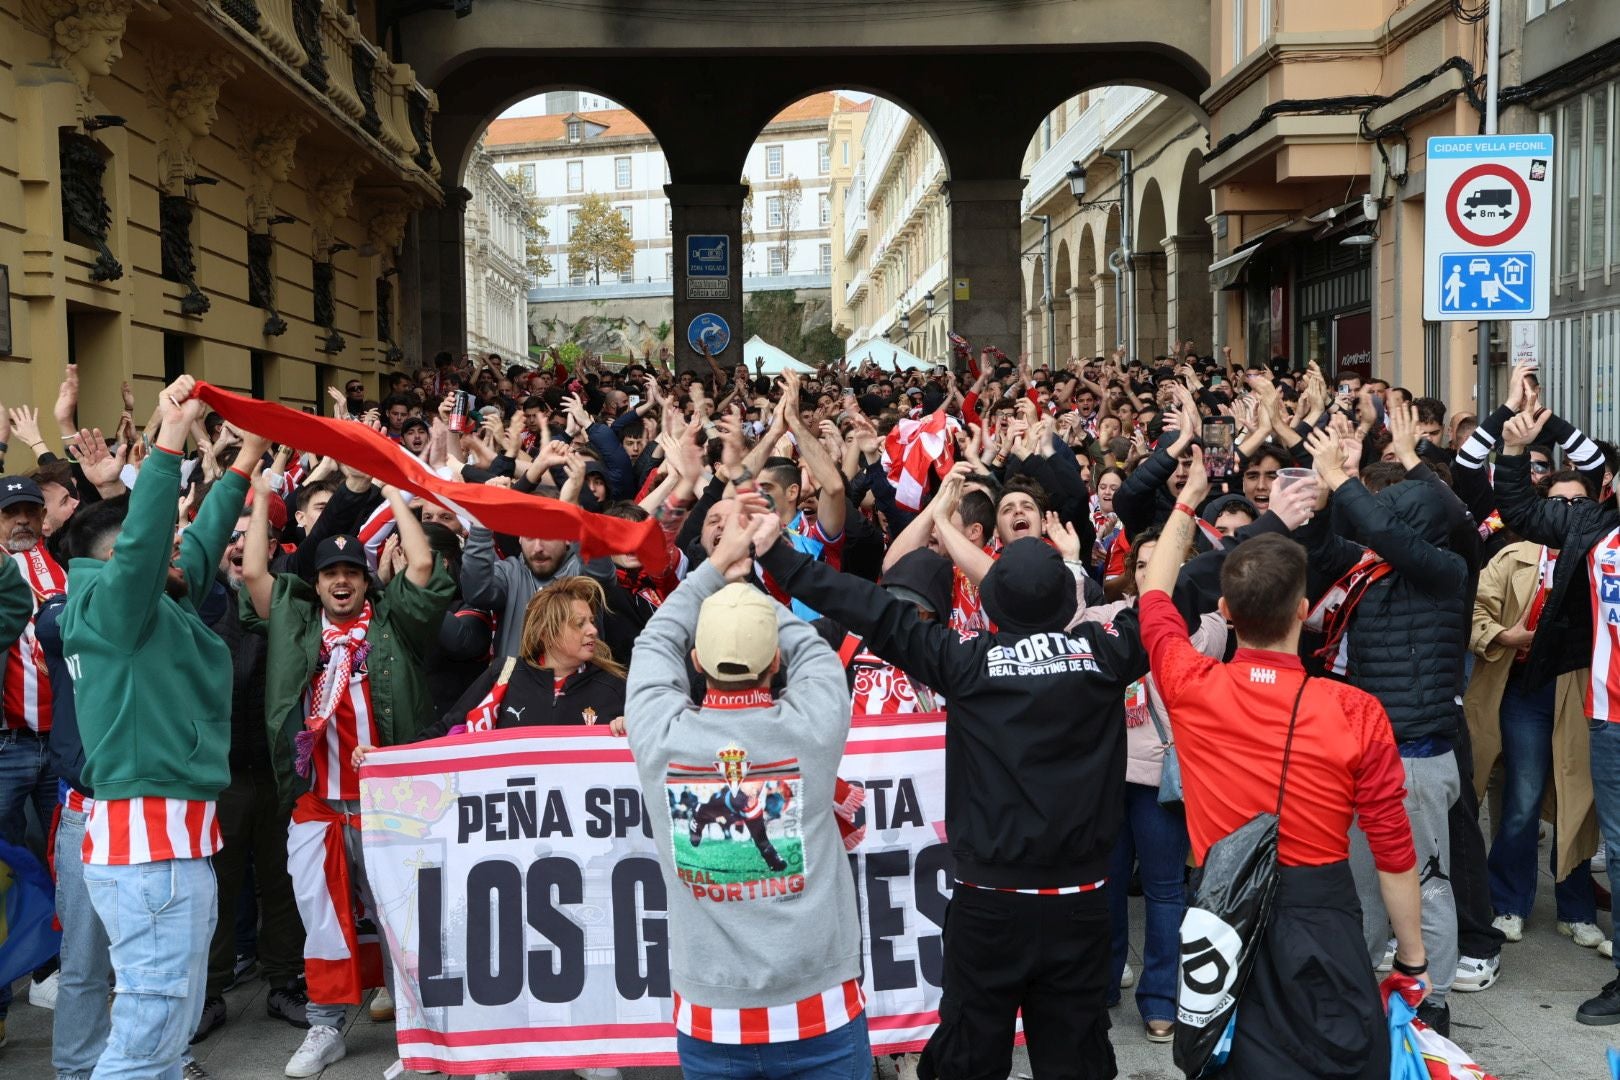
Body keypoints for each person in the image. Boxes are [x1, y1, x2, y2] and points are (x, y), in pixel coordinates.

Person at [754, 510, 1148, 1079]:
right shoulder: (1105, 656)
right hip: (1079, 899)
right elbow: (1172, 598)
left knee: (968, 1053)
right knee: (1077, 1057)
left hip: (990, 902)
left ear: (989, 606)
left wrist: (781, 556)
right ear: (1071, 601)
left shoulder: (967, 662)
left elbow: (876, 611)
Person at [1138, 448, 1427, 1079]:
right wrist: (1411, 959)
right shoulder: (1356, 711)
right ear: (1303, 613)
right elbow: (1393, 850)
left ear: (1229, 614)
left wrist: (1188, 498)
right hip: (1320, 910)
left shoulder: (1191, 680)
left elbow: (1154, 591)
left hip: (1222, 908)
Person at [625, 505, 866, 1079]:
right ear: (775, 661)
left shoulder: (660, 734)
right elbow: (815, 654)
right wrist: (755, 592)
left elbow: (654, 642)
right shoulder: (812, 725)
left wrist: (716, 571)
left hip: (712, 1021)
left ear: (697, 661)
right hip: (823, 1013)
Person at [61, 375, 255, 1080]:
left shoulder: (146, 607)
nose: (185, 555)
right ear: (120, 565)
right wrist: (171, 436)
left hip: (166, 849)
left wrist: (245, 461)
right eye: (161, 548)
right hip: (151, 854)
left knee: (165, 1036)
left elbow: (193, 547)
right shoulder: (116, 609)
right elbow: (148, 545)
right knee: (145, 1044)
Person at [241, 474, 455, 1076]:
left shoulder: (396, 627)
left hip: (395, 802)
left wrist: (393, 495)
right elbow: (256, 573)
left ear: (366, 581)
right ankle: (326, 1028)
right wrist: (260, 496)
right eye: (332, 575)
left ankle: (421, 1038)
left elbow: (420, 564)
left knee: (407, 919)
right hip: (319, 804)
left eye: (353, 574)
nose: (341, 581)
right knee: (324, 921)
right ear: (317, 585)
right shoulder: (296, 627)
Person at [1489, 403, 1620, 1024]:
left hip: (1592, 707)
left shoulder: (1597, 533)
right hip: (1578, 706)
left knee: (1600, 823)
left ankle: (1585, 919)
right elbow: (1515, 509)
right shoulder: (1570, 537)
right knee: (1602, 837)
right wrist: (1517, 445)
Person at [1464, 473, 1602, 966]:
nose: (1567, 511)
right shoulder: (1514, 556)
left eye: (1579, 502)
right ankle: (1508, 903)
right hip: (1523, 691)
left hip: (1582, 692)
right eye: (1557, 502)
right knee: (1522, 797)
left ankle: (1577, 908)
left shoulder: (1604, 558)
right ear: (1542, 508)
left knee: (1578, 799)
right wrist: (1503, 636)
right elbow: (1473, 609)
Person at [408, 575, 627, 741]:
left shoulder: (614, 686)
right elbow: (445, 730)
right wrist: (383, 759)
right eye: (580, 624)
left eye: (592, 621)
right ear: (546, 634)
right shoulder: (504, 674)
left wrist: (632, 728)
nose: (593, 631)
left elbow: (653, 744)